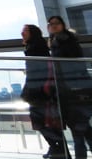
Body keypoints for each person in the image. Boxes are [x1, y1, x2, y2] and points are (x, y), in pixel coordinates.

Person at [47, 16, 92, 159]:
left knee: (78, 133)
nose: (53, 26)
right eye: (51, 24)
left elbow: (73, 63)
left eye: (56, 23)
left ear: (63, 25)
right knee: (85, 131)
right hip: (71, 92)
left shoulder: (66, 40)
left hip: (76, 91)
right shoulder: (56, 42)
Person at [21, 24, 69, 159]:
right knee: (48, 123)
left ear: (32, 33)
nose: (22, 33)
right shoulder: (34, 47)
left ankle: (57, 149)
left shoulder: (35, 48)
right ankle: (58, 150)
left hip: (41, 91)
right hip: (41, 90)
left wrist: (28, 90)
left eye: (25, 30)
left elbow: (38, 72)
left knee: (43, 122)